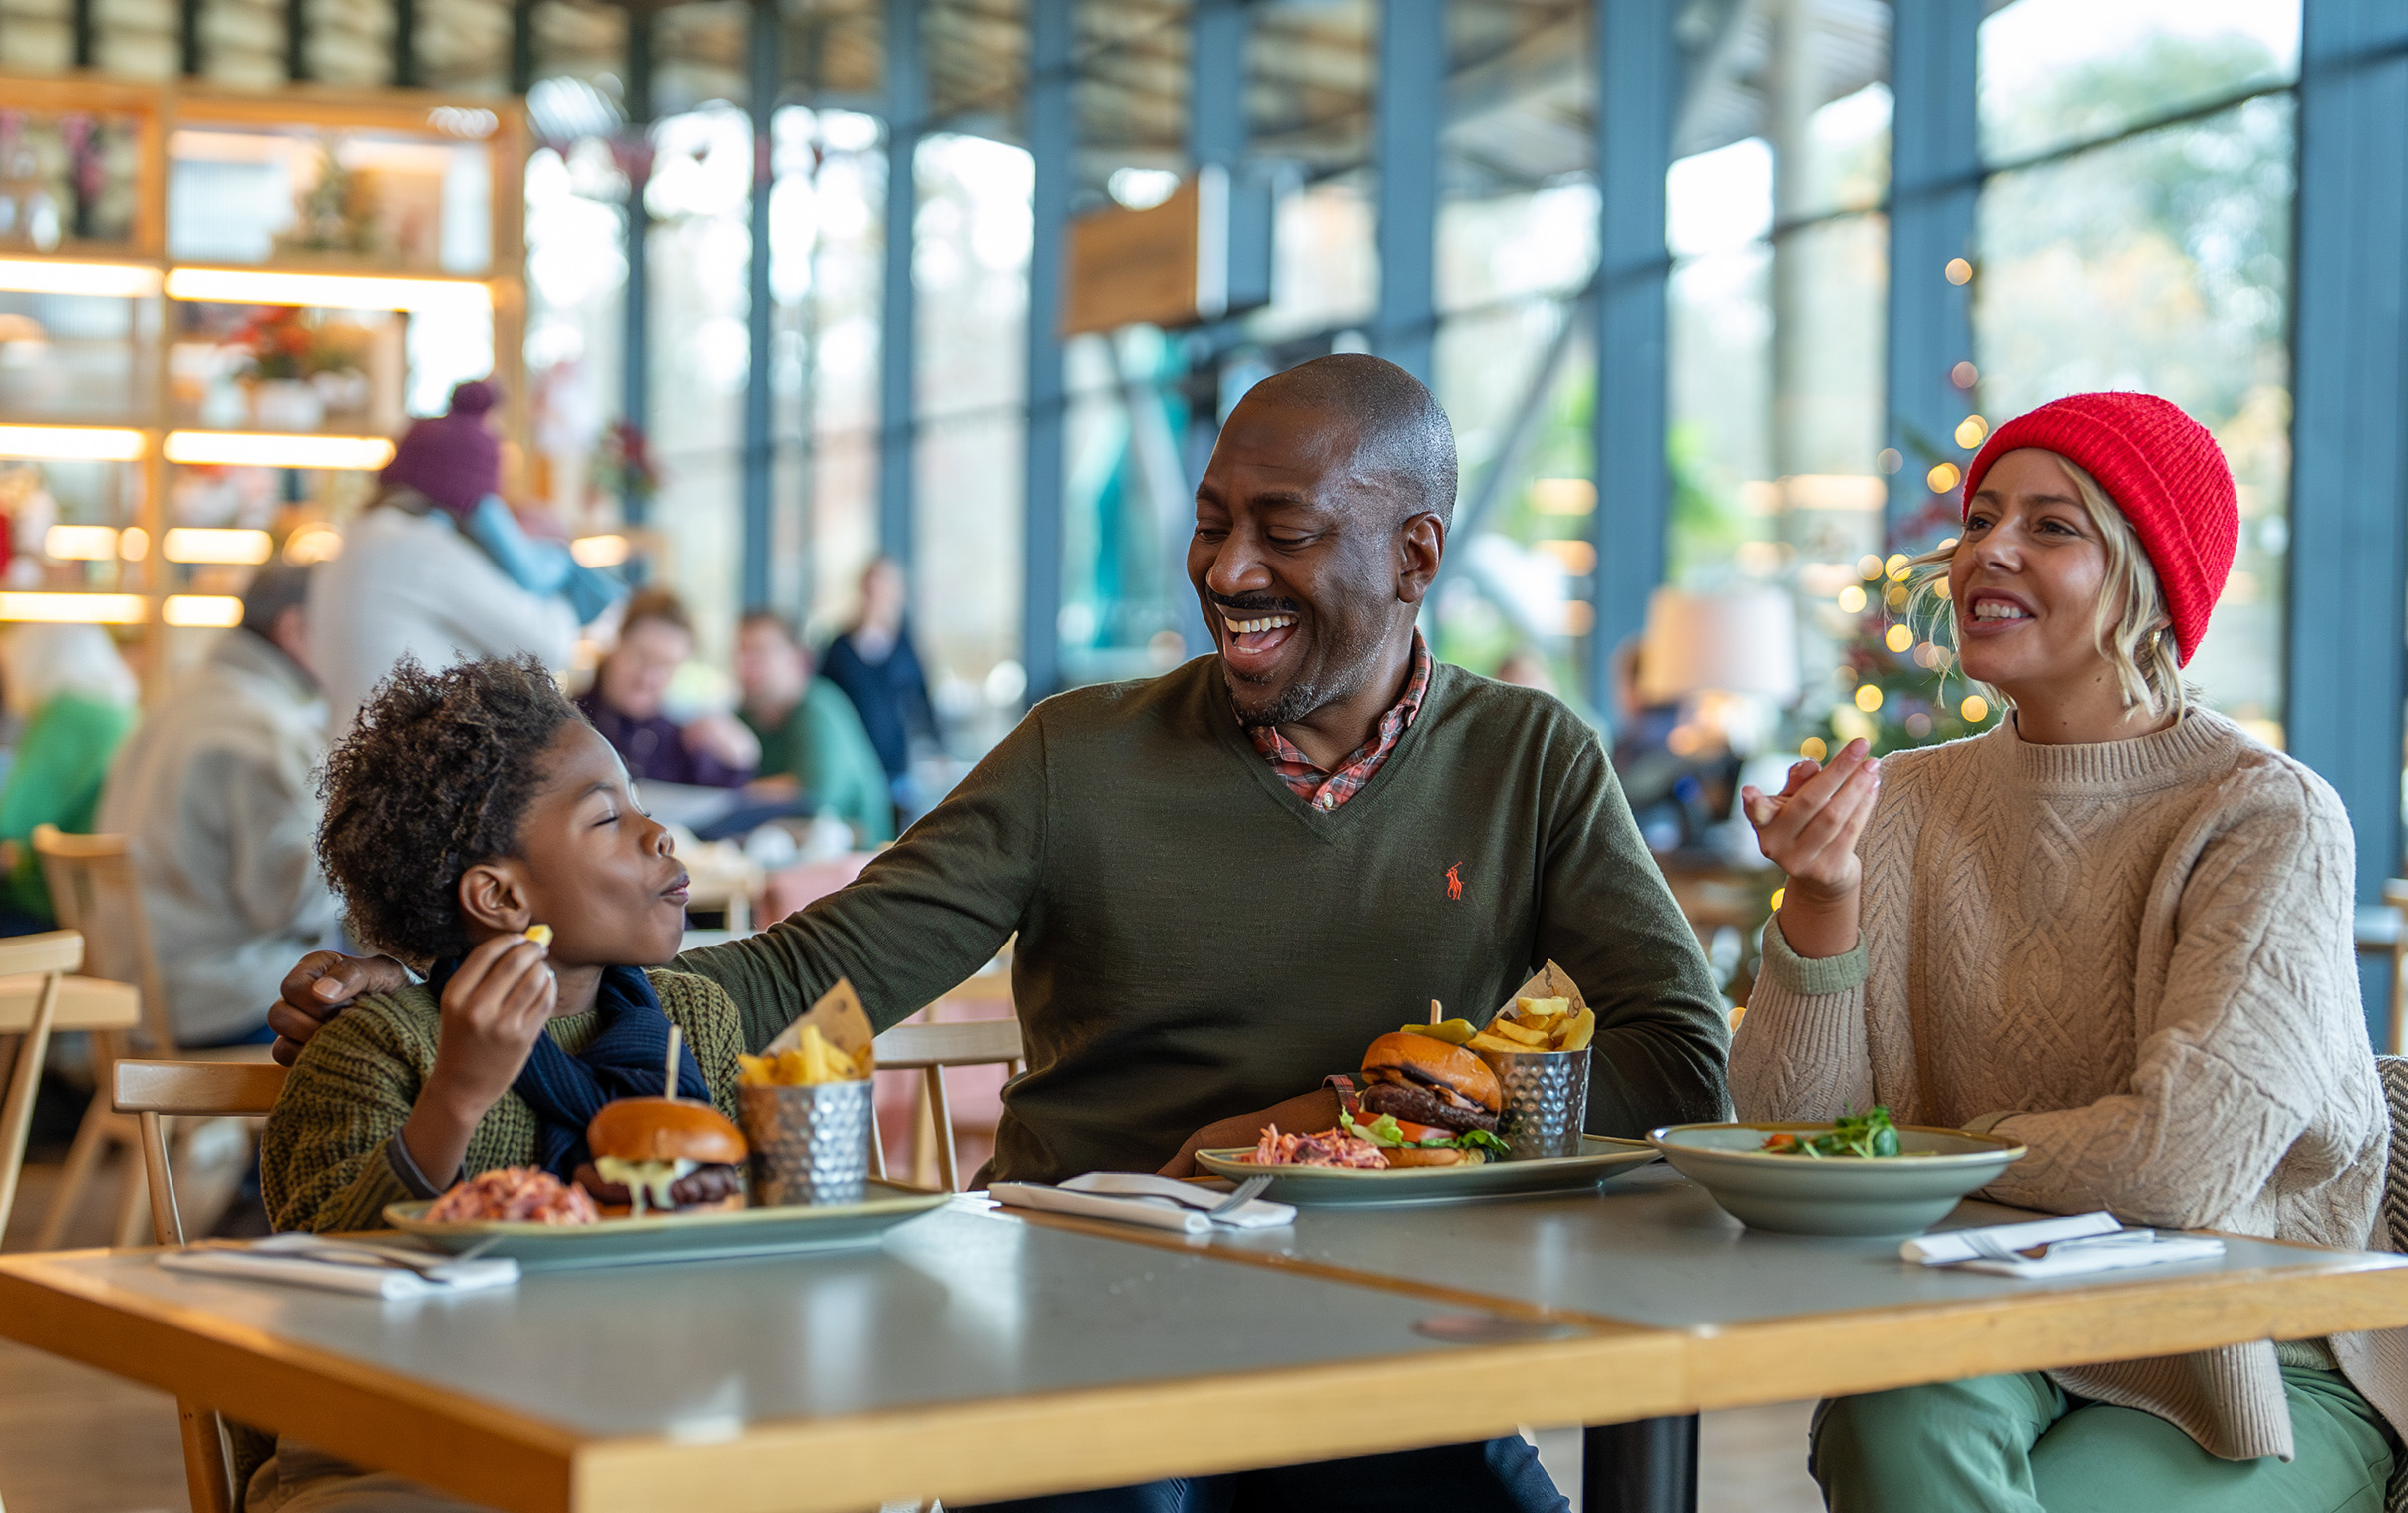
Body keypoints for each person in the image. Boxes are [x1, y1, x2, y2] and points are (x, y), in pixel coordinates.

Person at [269, 354, 1729, 1513]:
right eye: (1211, 520)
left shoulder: (1527, 758)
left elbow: (1677, 1062)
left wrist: (1379, 1127)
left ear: (1416, 554)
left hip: (1386, 1329)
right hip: (1083, 1329)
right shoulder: (1075, 755)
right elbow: (788, 980)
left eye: (1282, 532)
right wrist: (435, 986)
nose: (1223, 571)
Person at [1731, 392, 2408, 1513]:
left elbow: (2179, 1164)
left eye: (2052, 527)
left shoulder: (2263, 816)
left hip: (2245, 1356)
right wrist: (1821, 898)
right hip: (1982, 1311)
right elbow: (1795, 1137)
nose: (1985, 549)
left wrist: (1928, 1156)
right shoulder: (1896, 805)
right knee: (1883, 1415)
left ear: (2148, 580)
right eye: (1982, 517)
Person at [252, 653, 741, 1513]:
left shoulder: (691, 1024)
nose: (657, 832)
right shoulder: (375, 1046)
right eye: (606, 819)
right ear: (500, 896)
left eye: (638, 801)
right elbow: (322, 1292)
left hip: (640, 1416)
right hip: (405, 1449)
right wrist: (456, 1096)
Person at [96, 565, 333, 1046]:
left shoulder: (179, 702)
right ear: (295, 630)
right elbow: (291, 904)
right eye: (346, 628)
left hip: (137, 997)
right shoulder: (259, 730)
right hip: (211, 1004)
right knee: (400, 1023)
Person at [305, 381, 603, 735]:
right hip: (412, 767)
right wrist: (552, 565)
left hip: (360, 757)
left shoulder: (360, 537)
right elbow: (547, 649)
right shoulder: (419, 548)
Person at [0, 623, 138, 931]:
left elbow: (12, 819)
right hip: (100, 898)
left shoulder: (68, 714)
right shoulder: (119, 710)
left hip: (51, 904)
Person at [732, 610, 894, 848]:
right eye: (740, 652)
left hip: (856, 865)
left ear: (799, 660)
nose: (745, 664)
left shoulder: (816, 708)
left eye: (759, 652)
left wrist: (729, 794)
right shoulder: (745, 717)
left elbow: (813, 794)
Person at [576, 589, 759, 790]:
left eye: (665, 666)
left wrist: (736, 757)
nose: (647, 679)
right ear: (617, 643)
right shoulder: (567, 720)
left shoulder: (678, 740)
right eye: (641, 657)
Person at [819, 556, 943, 791]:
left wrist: (937, 748)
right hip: (851, 760)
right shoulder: (840, 648)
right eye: (873, 587)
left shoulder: (907, 647)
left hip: (896, 764)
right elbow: (824, 700)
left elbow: (922, 701)